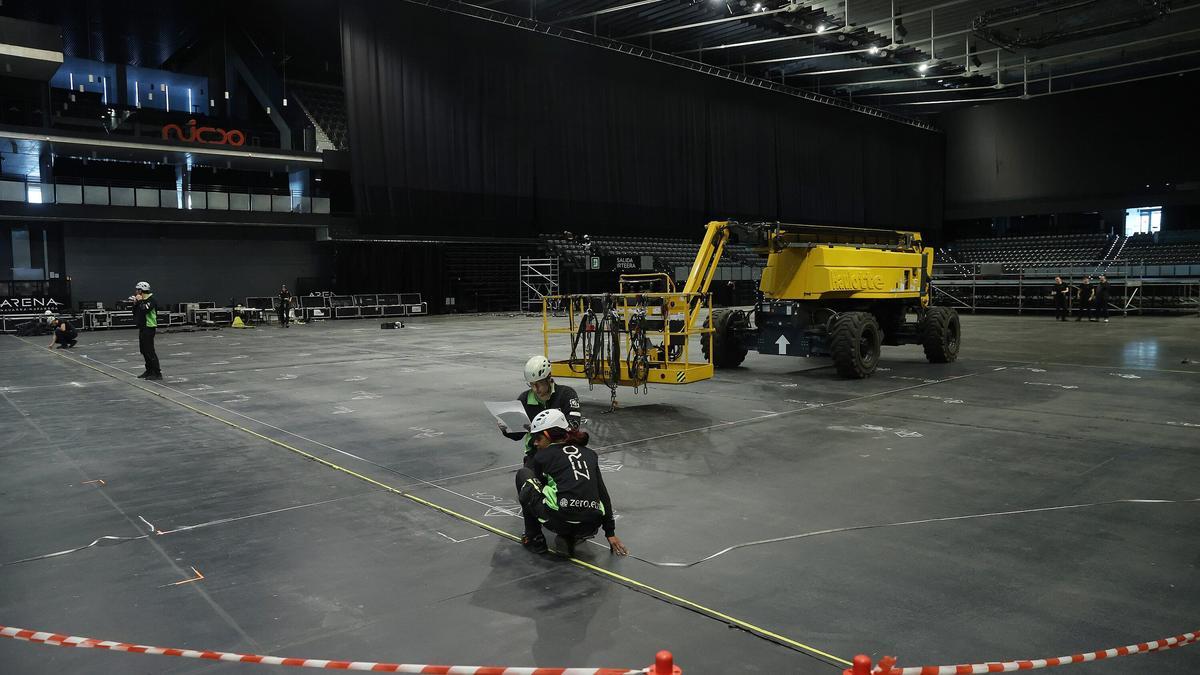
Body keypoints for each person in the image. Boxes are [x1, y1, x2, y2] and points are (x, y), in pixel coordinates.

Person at [515, 409, 627, 557]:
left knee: (524, 475)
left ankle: (534, 539)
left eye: (538, 438)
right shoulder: (590, 454)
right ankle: (570, 537)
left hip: (559, 521)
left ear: (548, 435)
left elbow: (537, 490)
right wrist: (610, 532)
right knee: (569, 490)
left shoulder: (542, 456)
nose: (535, 443)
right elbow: (603, 494)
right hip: (590, 525)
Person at [500, 356, 582, 456]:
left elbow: (573, 425)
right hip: (535, 451)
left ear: (548, 378)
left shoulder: (566, 394)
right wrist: (506, 428)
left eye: (539, 384)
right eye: (532, 384)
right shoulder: (524, 399)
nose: (535, 389)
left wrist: (542, 430)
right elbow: (517, 435)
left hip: (563, 450)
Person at [131, 281, 162, 380]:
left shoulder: (151, 300)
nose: (136, 292)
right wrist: (135, 303)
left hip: (149, 327)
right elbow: (136, 313)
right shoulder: (142, 301)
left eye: (137, 290)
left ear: (141, 291)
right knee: (144, 350)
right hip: (142, 327)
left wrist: (140, 301)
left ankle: (157, 373)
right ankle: (149, 370)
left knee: (149, 351)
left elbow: (145, 310)